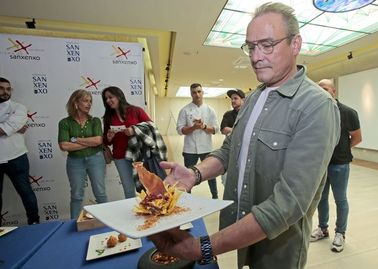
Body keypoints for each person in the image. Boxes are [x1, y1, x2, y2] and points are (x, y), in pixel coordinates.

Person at [150, 3, 340, 268]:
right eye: (251, 46)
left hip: (279, 248)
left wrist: (202, 247)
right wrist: (194, 173)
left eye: (267, 45)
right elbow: (230, 149)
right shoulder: (253, 99)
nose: (256, 56)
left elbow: (289, 204)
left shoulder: (316, 106)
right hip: (243, 231)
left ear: (295, 44)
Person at [310, 79, 362, 253]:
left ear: (333, 91)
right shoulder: (316, 112)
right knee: (321, 198)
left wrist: (342, 149)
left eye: (325, 89)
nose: (321, 92)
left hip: (340, 164)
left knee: (340, 199)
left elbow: (357, 138)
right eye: (319, 89)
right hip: (320, 164)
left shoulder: (348, 112)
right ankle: (322, 228)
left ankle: (340, 233)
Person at [58, 89, 108, 219]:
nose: (89, 104)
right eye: (85, 101)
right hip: (75, 162)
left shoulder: (95, 121)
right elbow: (64, 145)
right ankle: (74, 223)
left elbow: (98, 140)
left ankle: (107, 222)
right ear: (75, 102)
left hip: (96, 159)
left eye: (90, 101)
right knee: (76, 195)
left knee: (100, 193)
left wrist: (75, 139)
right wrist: (89, 142)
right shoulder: (64, 123)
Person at [0, 77, 39, 225]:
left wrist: (9, 128)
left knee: (25, 192)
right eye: (2, 88)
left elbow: (4, 129)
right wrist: (13, 129)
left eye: (8, 89)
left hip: (16, 157)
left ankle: (34, 223)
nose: (5, 92)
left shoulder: (19, 107)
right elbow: (7, 128)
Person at [101, 86, 152, 198]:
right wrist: (109, 137)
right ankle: (133, 213)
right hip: (120, 157)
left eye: (110, 97)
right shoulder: (108, 117)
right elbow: (106, 141)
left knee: (145, 187)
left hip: (138, 155)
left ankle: (148, 211)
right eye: (106, 99)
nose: (108, 101)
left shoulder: (136, 110)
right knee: (128, 189)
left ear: (119, 96)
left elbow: (150, 126)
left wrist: (134, 130)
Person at [176, 83, 219, 199]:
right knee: (187, 175)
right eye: (194, 92)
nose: (197, 94)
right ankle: (187, 198)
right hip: (190, 149)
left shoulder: (210, 110)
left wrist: (203, 127)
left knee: (211, 174)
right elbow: (180, 130)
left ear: (203, 92)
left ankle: (215, 196)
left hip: (207, 148)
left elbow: (215, 130)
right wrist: (193, 127)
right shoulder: (184, 110)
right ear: (191, 94)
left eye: (199, 91)